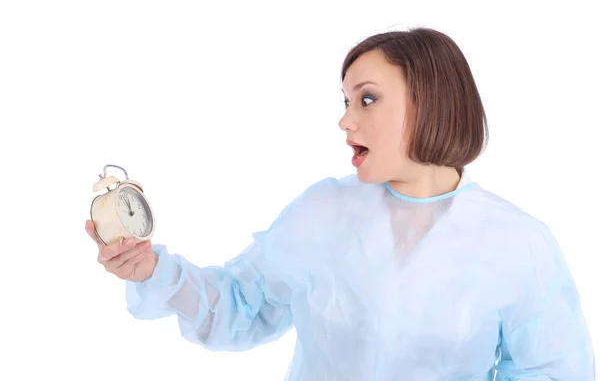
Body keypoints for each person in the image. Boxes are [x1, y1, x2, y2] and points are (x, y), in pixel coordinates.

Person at [85, 27, 596, 380]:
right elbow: (238, 310)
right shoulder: (323, 212)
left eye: (367, 99)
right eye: (346, 102)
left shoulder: (517, 243)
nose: (346, 121)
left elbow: (551, 372)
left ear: (429, 102)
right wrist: (153, 271)